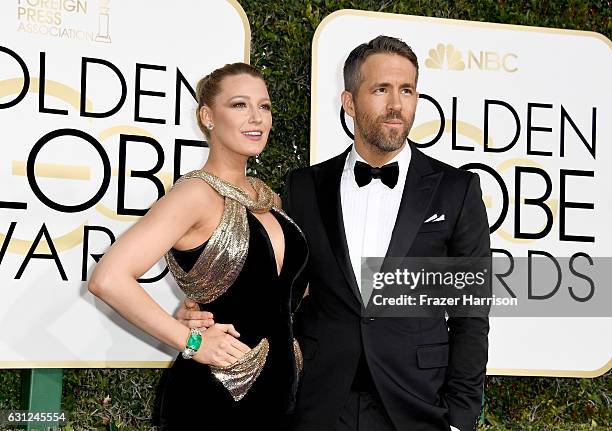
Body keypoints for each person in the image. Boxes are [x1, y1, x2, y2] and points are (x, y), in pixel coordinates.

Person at [179, 36, 490, 431]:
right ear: (349, 102)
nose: (396, 104)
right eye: (381, 90)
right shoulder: (304, 187)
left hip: (416, 405)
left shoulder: (456, 189)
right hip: (318, 402)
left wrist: (459, 418)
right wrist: (207, 309)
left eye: (407, 90)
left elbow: (471, 311)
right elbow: (280, 290)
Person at [88, 62, 308, 431]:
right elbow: (108, 278)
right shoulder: (194, 194)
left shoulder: (268, 198)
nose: (256, 118)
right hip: (212, 398)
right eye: (239, 105)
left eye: (264, 106)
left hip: (280, 398)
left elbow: (278, 296)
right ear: (208, 116)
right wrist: (191, 341)